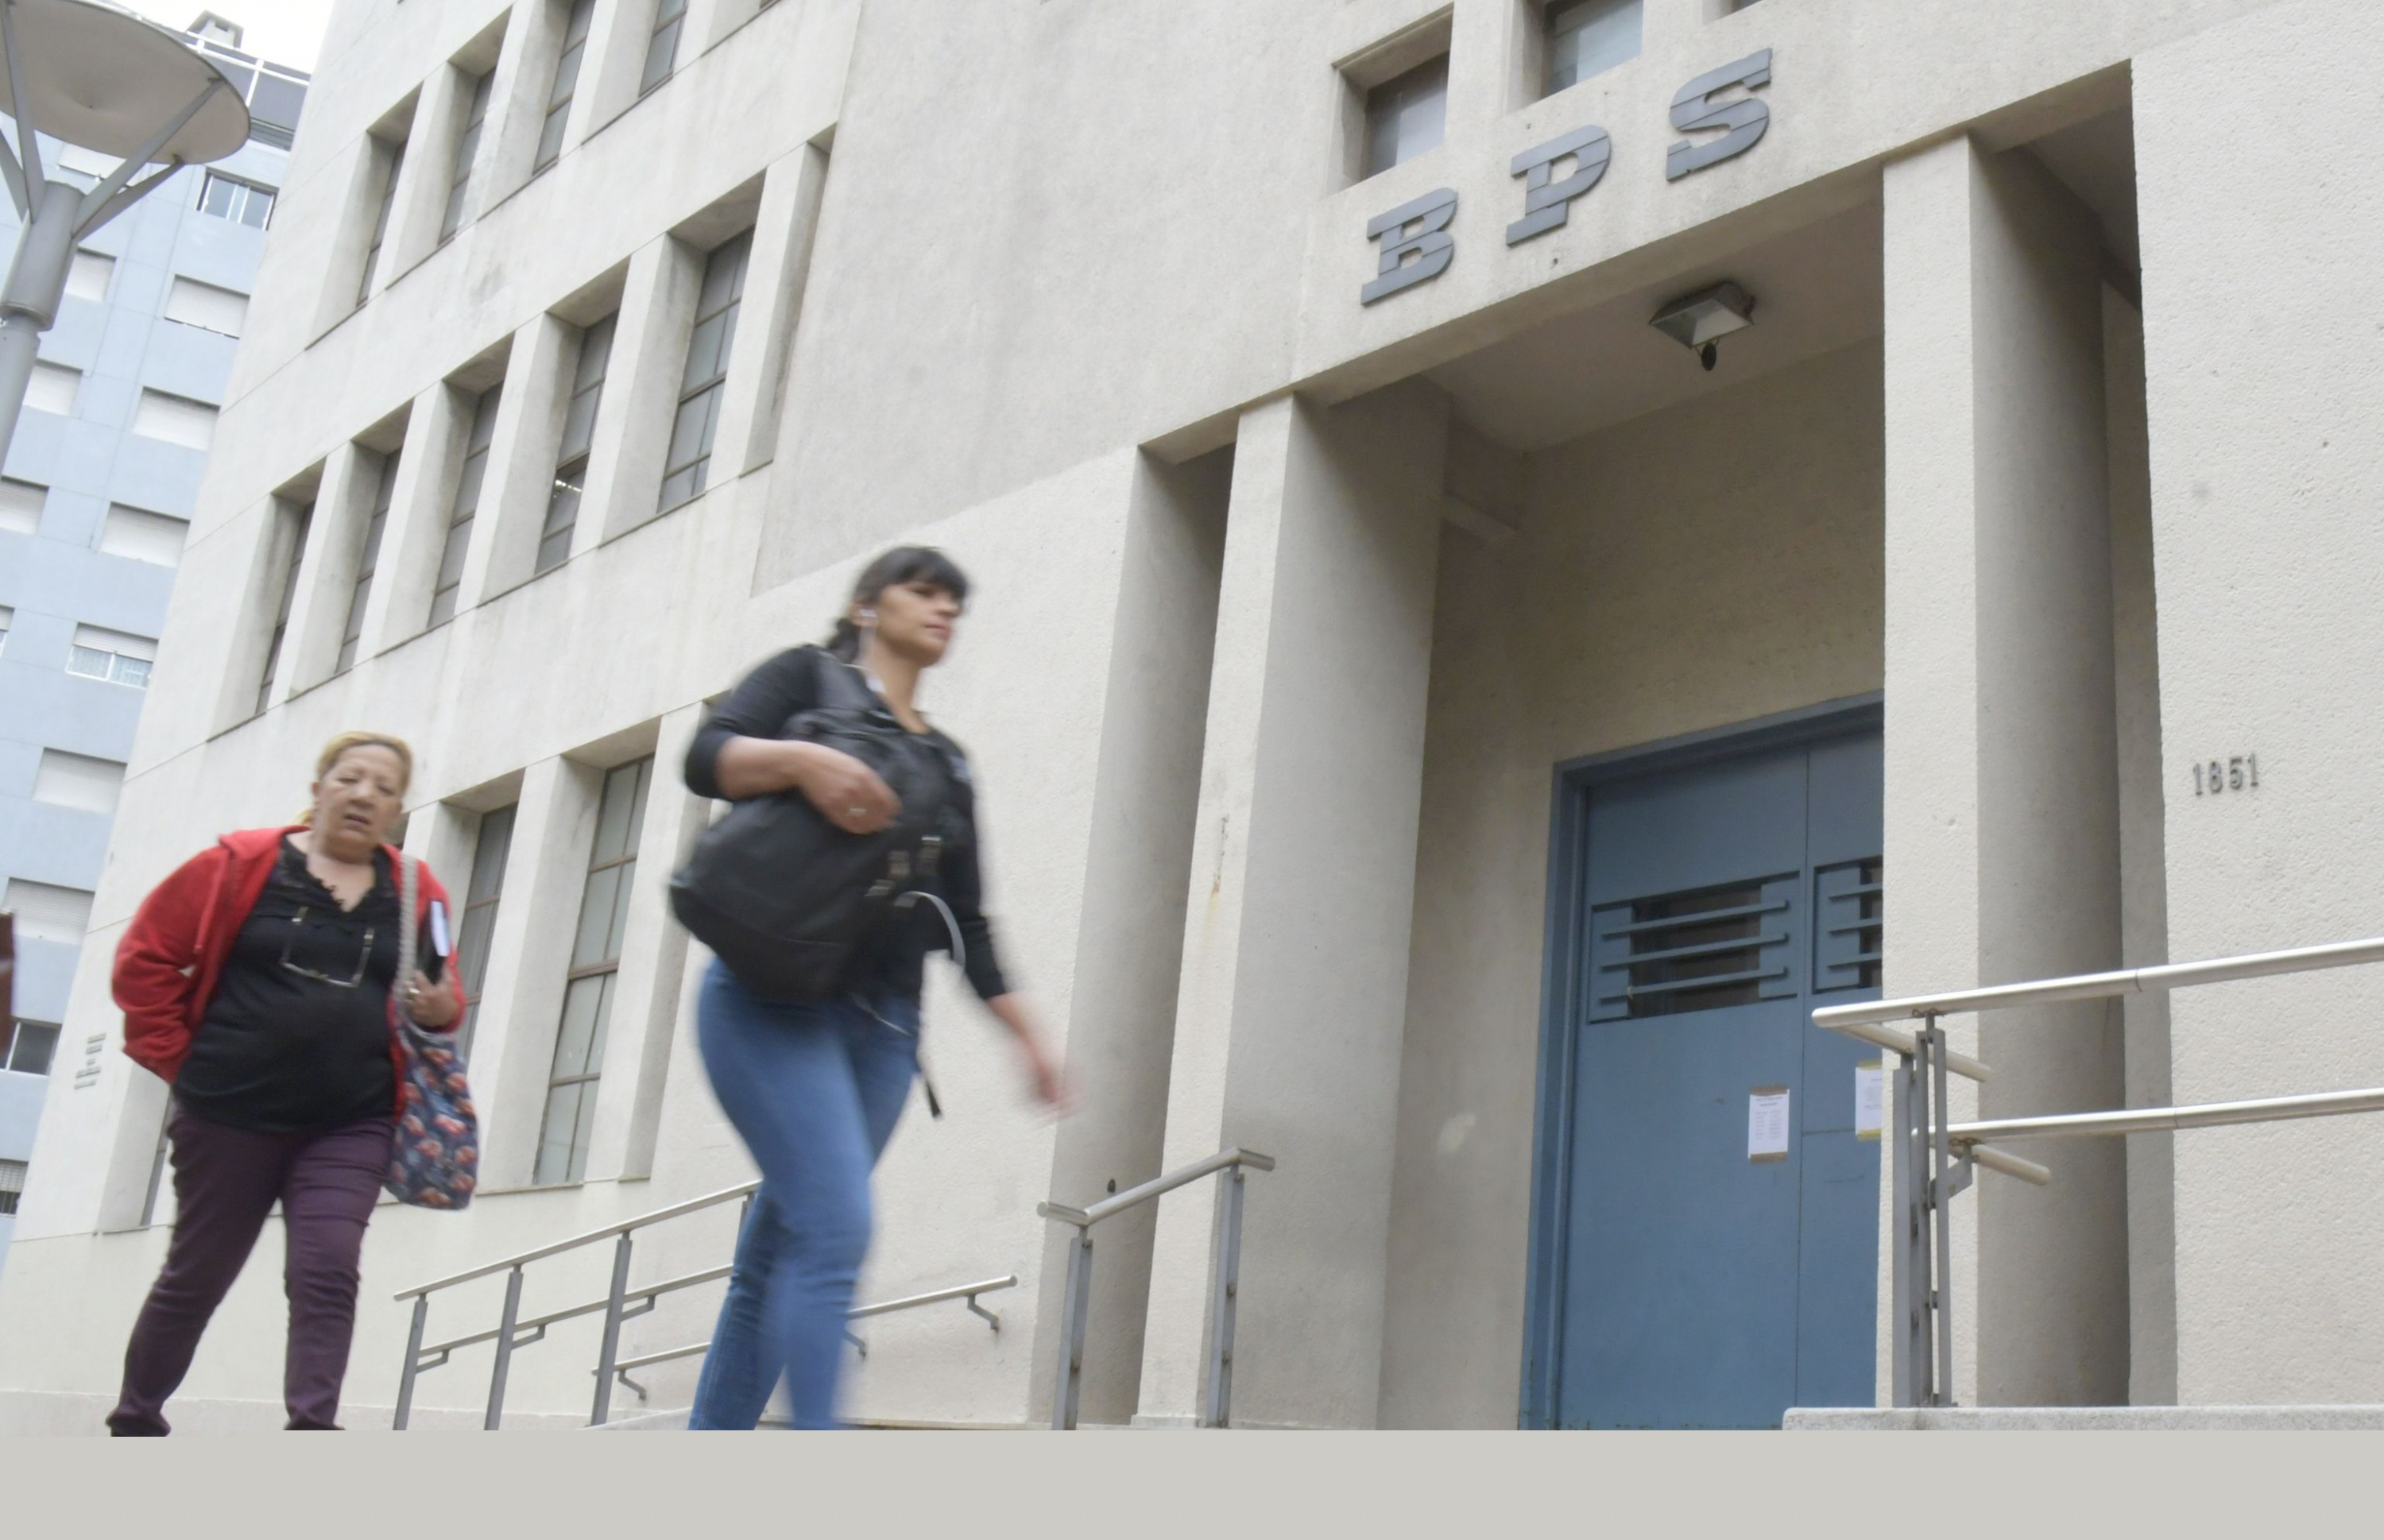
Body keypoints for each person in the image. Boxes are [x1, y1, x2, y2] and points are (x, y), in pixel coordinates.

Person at [683, 545, 1068, 1430]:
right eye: (923, 591)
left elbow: (966, 923)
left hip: (883, 1035)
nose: (943, 611)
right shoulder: (805, 681)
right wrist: (803, 764)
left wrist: (1032, 1040)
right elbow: (705, 758)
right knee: (834, 1232)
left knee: (786, 1249)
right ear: (868, 606)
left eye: (955, 603)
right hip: (768, 1003)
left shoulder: (948, 766)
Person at [106, 732, 466, 1434]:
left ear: (397, 808)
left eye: (384, 787)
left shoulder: (420, 890)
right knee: (199, 1275)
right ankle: (137, 1419)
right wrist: (181, 1062)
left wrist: (444, 1005)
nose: (365, 795)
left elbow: (447, 988)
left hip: (351, 1119)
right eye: (351, 778)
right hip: (229, 1115)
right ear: (318, 789)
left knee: (327, 1270)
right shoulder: (235, 866)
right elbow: (144, 960)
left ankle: (311, 1431)